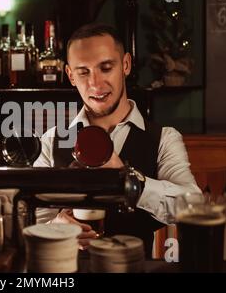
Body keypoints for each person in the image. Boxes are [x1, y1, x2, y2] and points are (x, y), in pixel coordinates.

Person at [33, 23, 201, 257]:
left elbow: (192, 204)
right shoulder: (52, 140)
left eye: (105, 67)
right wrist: (55, 229)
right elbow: (31, 223)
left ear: (125, 65)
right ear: (70, 76)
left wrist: (130, 179)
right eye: (83, 72)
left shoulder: (164, 138)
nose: (95, 84)